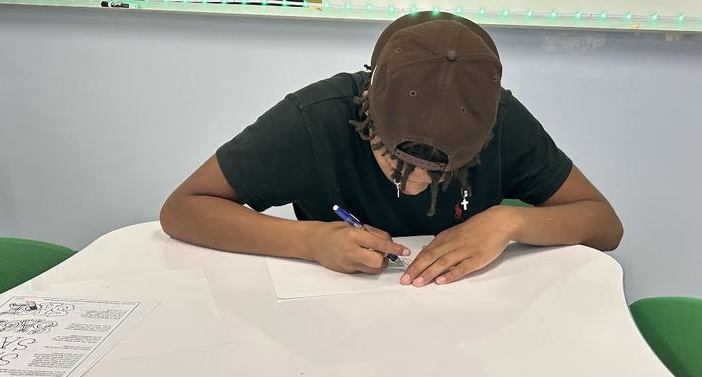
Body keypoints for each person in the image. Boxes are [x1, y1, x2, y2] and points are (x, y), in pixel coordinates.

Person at [160, 11, 622, 287]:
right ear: (367, 115)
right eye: (397, 162)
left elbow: (605, 226)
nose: (416, 182)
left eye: (444, 172)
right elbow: (183, 208)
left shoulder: (502, 119)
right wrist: (310, 241)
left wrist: (510, 220)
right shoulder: (315, 119)